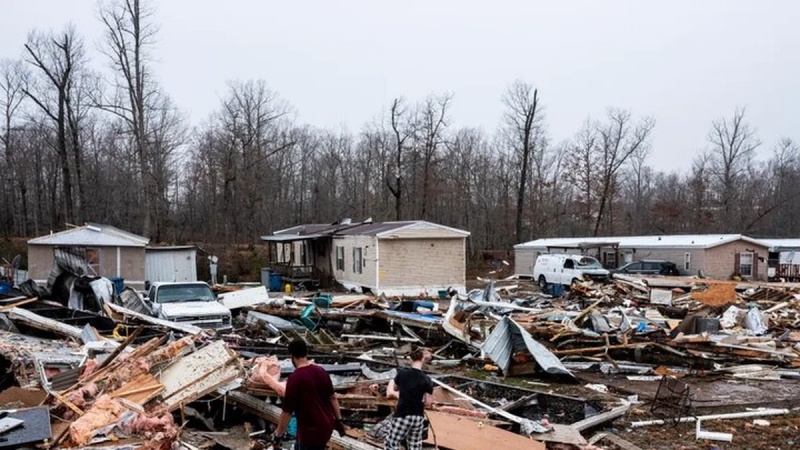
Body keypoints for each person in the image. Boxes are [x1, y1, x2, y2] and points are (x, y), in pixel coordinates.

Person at [273, 340, 346, 450]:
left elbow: (287, 412)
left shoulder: (295, 378)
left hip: (310, 431)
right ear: (306, 353)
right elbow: (332, 397)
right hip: (326, 428)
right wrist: (339, 421)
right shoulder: (321, 371)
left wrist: (278, 435)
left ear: (292, 356)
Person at [384, 347, 433, 450]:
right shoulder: (427, 379)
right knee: (415, 446)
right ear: (423, 360)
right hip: (418, 417)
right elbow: (428, 402)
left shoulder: (402, 374)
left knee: (391, 444)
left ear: (411, 359)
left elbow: (393, 390)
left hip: (403, 413)